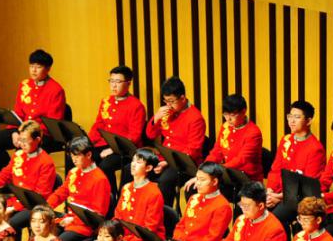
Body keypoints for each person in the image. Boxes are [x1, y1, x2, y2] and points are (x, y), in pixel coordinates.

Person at [0, 49, 67, 170]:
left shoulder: (56, 90)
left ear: (48, 69)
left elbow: (52, 123)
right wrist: (14, 132)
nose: (34, 70)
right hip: (21, 129)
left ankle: (16, 173)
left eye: (38, 67)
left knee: (22, 149)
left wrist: (26, 135)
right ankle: (6, 172)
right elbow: (18, 113)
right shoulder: (25, 85)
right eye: (31, 66)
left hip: (41, 134)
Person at [145, 76, 207, 204]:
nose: (168, 105)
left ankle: (164, 214)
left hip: (185, 164)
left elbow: (193, 151)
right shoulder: (167, 112)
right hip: (165, 159)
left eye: (171, 101)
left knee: (165, 180)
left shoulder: (195, 118)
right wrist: (156, 118)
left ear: (182, 98)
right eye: (165, 101)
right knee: (135, 168)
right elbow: (150, 135)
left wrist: (167, 162)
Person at [266, 100, 326, 228]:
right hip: (278, 193)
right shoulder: (286, 140)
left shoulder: (315, 148)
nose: (291, 121)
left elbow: (307, 187)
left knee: (274, 219)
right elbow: (275, 169)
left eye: (297, 117)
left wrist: (279, 197)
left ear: (308, 121)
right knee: (254, 209)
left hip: (299, 199)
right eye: (290, 116)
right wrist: (270, 191)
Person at [0, 119, 58, 228]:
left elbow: (39, 196)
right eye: (20, 140)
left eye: (25, 140)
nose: (21, 144)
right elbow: (4, 175)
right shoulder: (18, 155)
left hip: (33, 206)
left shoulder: (46, 162)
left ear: (37, 140)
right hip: (15, 201)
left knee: (8, 225)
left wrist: (14, 208)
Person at [48, 135, 113, 241]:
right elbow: (61, 193)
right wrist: (46, 207)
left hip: (85, 227)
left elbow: (97, 216)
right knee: (42, 233)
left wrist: (72, 220)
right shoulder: (73, 172)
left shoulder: (100, 179)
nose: (74, 159)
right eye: (72, 155)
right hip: (69, 220)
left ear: (88, 155)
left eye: (77, 156)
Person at [174, 162, 233, 241]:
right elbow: (181, 225)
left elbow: (211, 238)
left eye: (202, 180)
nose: (198, 183)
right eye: (197, 179)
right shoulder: (194, 198)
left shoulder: (223, 206)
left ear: (214, 181)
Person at [88, 66, 147, 186]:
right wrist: (87, 142)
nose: (113, 86)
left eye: (118, 82)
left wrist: (113, 149)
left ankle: (111, 195)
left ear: (128, 83)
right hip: (104, 143)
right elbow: (98, 125)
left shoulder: (136, 106)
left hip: (125, 149)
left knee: (105, 165)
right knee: (82, 154)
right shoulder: (106, 101)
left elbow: (134, 137)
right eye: (111, 81)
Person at [112, 148, 165, 241]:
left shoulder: (154, 193)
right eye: (133, 160)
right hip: (124, 239)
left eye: (138, 162)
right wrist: (110, 236)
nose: (133, 164)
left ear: (148, 168)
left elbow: (149, 230)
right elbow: (117, 217)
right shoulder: (126, 188)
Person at [203, 93, 264, 183]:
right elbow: (217, 151)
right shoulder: (225, 127)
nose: (228, 119)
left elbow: (241, 159)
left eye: (232, 115)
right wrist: (205, 168)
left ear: (243, 111)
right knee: (197, 185)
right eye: (225, 114)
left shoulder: (253, 132)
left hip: (247, 178)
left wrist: (218, 169)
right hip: (229, 174)